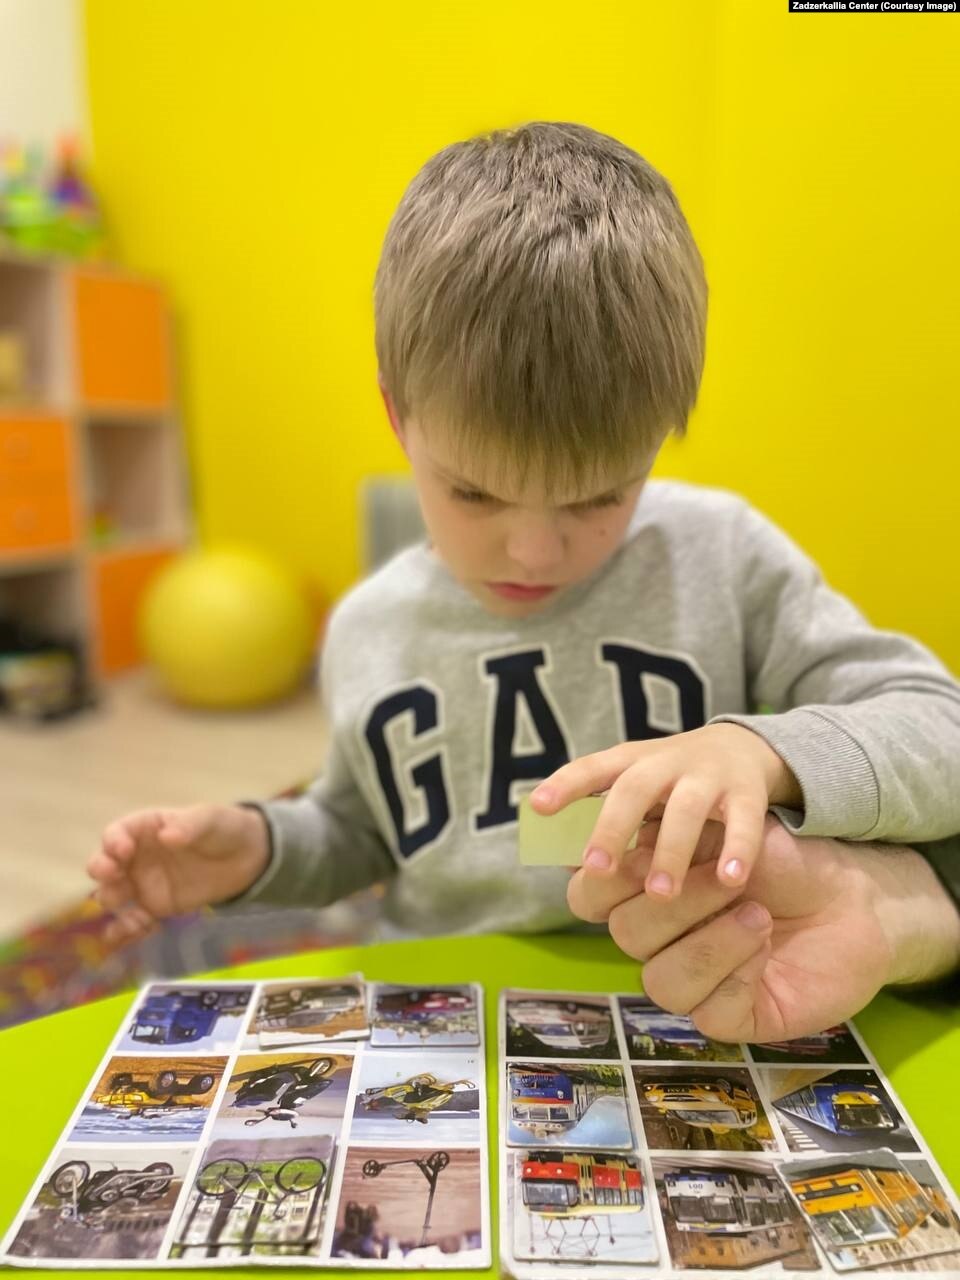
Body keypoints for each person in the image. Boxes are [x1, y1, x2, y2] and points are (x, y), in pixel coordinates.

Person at [87, 122, 960, 1037]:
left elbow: (939, 731)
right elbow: (364, 833)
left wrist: (761, 753)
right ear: (398, 415)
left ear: (659, 436)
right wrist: (262, 845)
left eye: (597, 498)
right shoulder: (369, 628)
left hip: (697, 999)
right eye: (475, 493)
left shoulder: (723, 557)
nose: (535, 554)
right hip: (439, 1016)